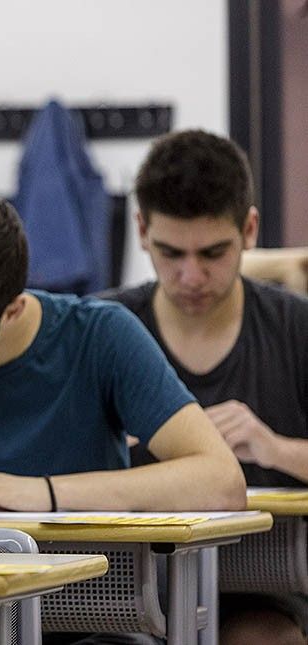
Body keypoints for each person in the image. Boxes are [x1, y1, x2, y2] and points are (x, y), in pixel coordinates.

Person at [0, 186, 246, 513]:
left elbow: (221, 481)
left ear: (12, 311)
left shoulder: (100, 336)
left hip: (91, 576)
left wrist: (46, 493)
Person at [102, 129, 308, 645]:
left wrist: (274, 448)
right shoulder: (102, 329)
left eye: (213, 253)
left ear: (250, 229)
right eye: (171, 253)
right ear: (142, 230)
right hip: (125, 582)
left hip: (267, 584)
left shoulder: (294, 328)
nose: (191, 275)